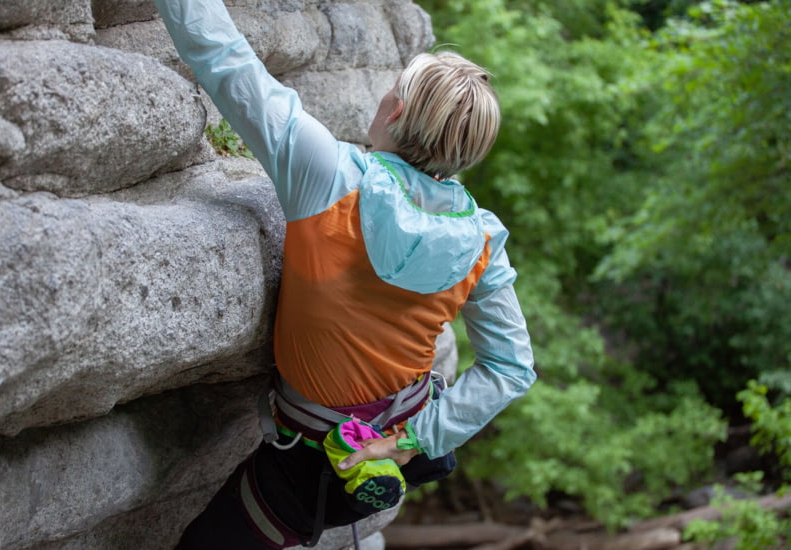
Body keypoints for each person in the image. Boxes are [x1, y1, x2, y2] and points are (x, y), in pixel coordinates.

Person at [153, 0, 537, 548]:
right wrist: (409, 443)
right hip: (385, 452)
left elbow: (223, 58)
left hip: (303, 463)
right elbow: (512, 368)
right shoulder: (483, 239)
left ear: (397, 110)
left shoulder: (328, 176)